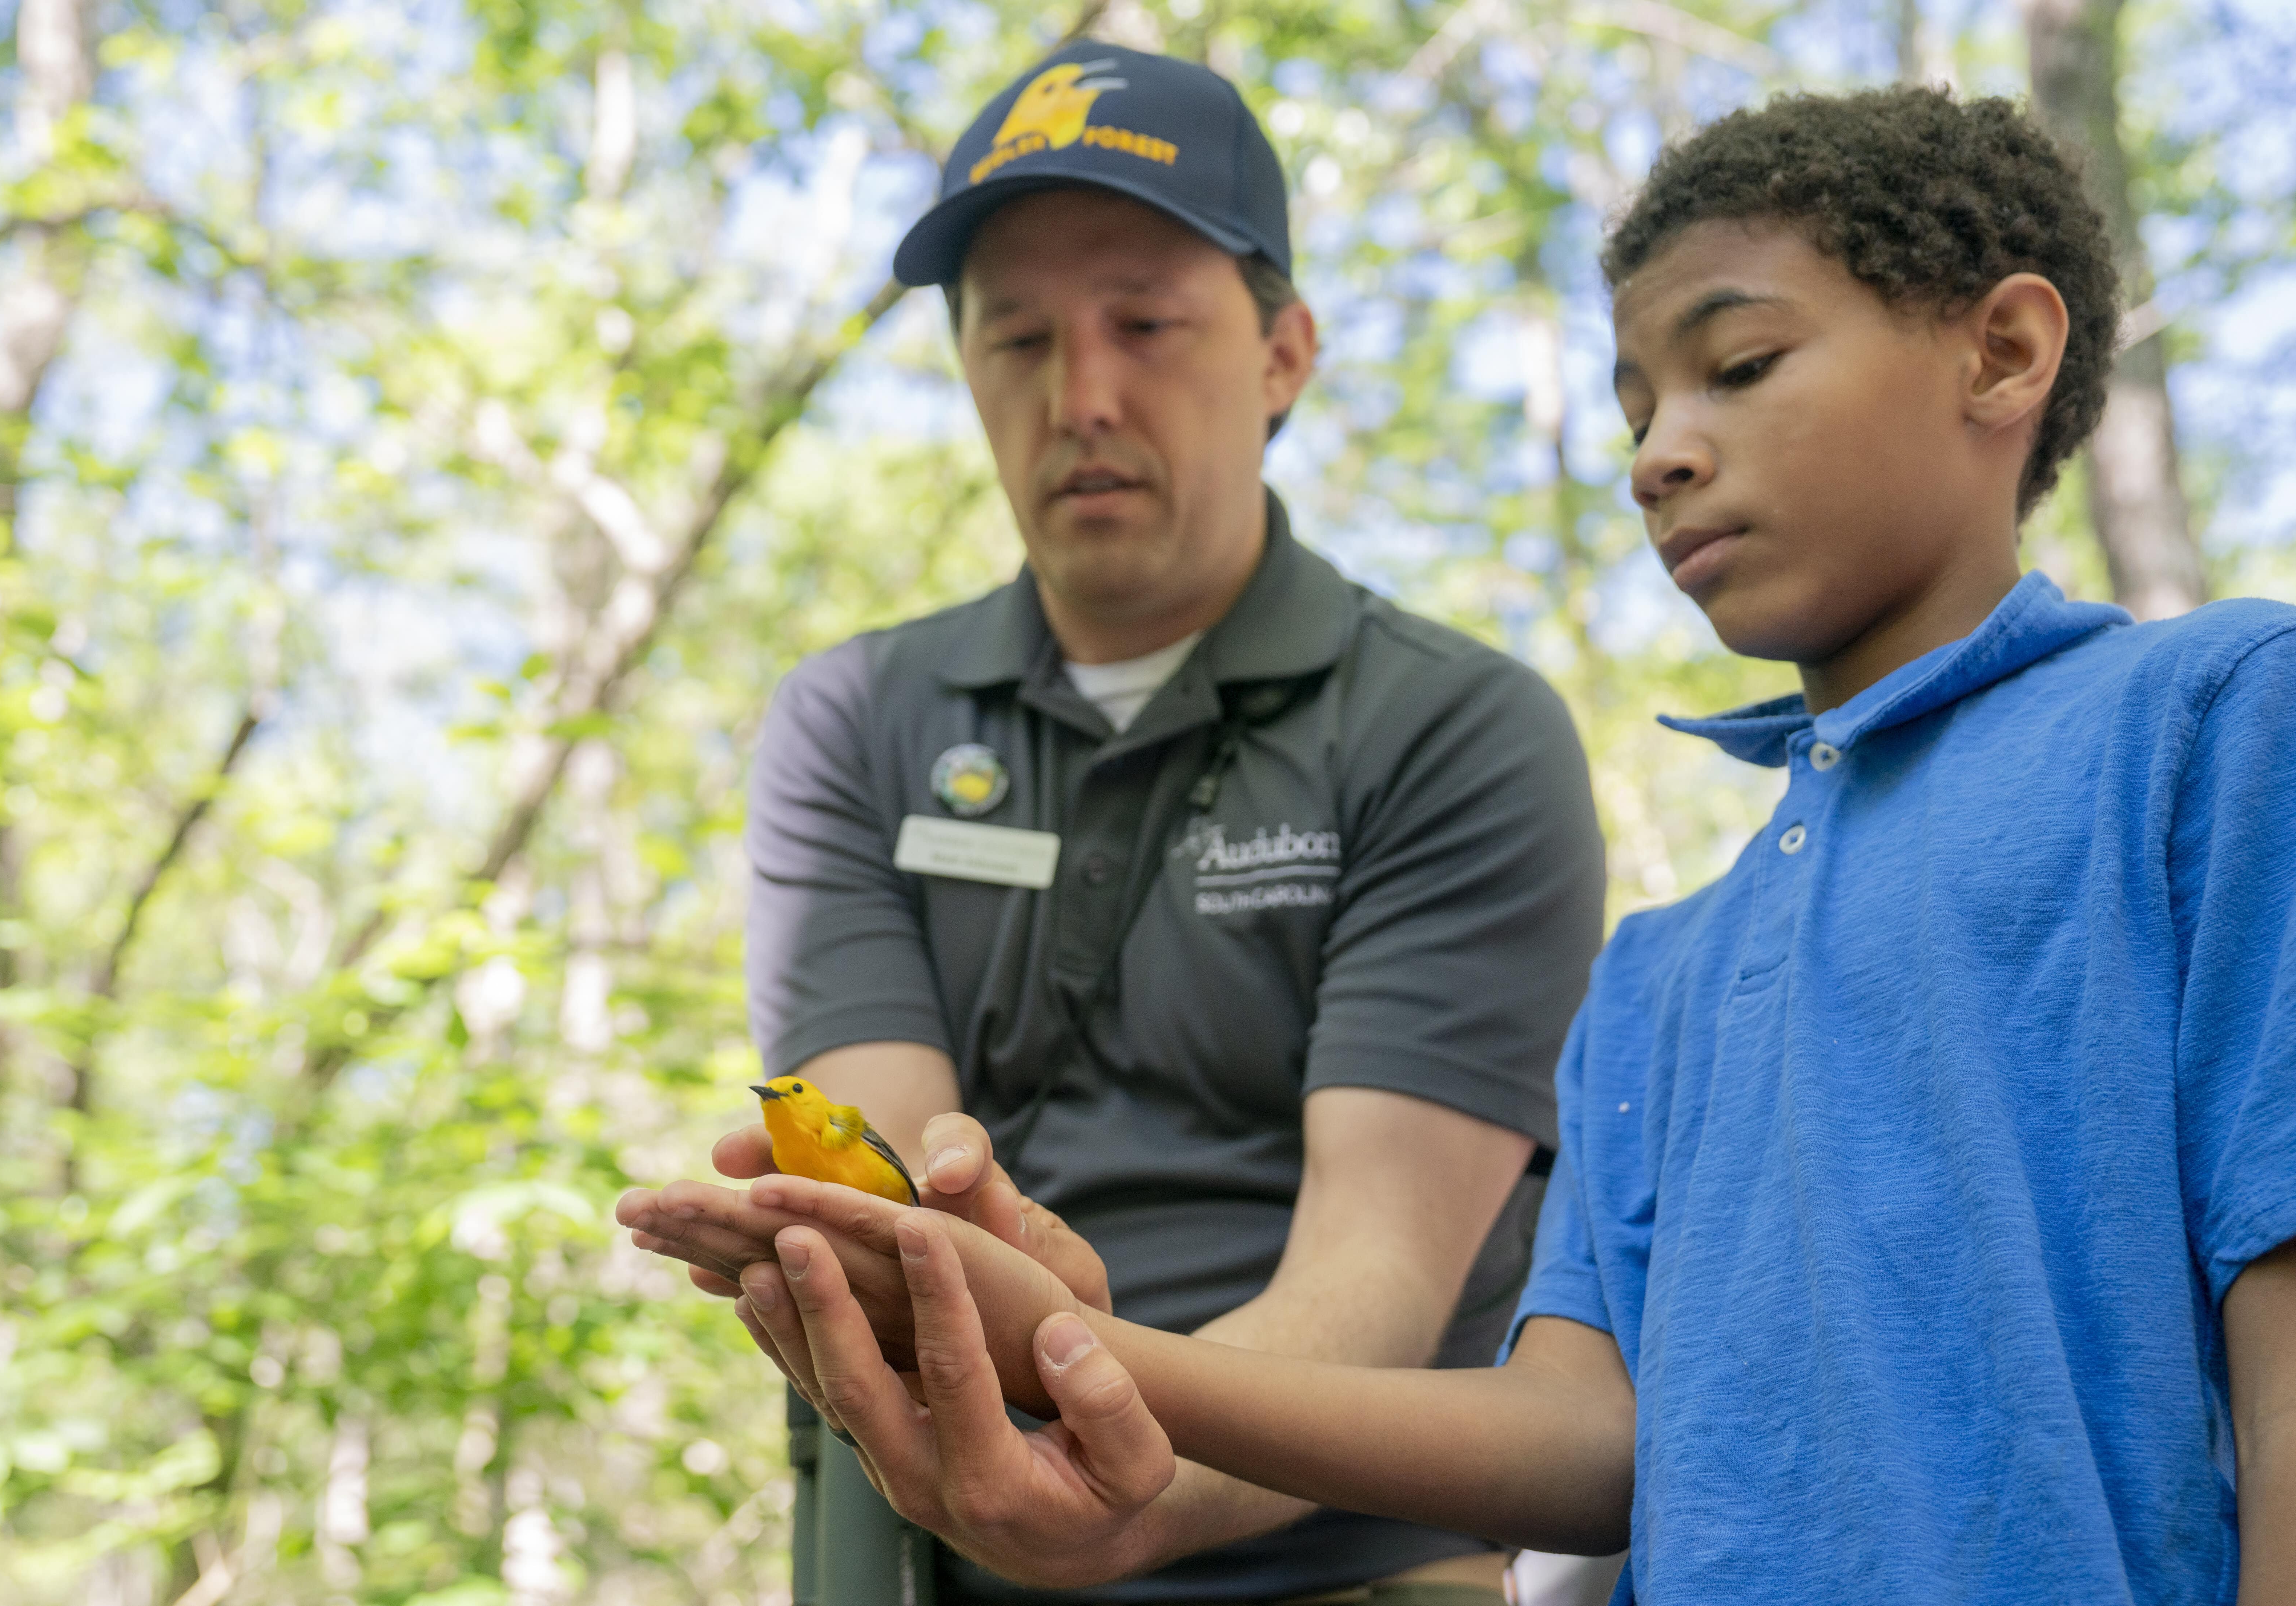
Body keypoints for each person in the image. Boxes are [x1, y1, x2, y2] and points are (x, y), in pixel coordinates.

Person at [731, 86, 2296, 1605]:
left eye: (1737, 367)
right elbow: (1584, 1444)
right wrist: (1084, 1356)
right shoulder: (1664, 973)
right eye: (1637, 398)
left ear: (2006, 353)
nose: (1660, 448)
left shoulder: (2226, 721)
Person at [617, 39, 1605, 1606]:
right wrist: (919, 1260)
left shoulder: (1454, 727)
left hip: (1357, 1563)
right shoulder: (858, 720)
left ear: (1284, 353)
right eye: (1017, 339)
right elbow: (883, 1188)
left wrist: (1129, 1472)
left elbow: (1378, 1272)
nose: (1082, 396)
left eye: (1146, 324)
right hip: (944, 1547)